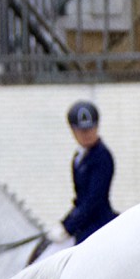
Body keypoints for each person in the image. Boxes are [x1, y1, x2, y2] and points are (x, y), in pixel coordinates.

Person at [47, 100, 117, 249]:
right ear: (73, 131)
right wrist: (64, 223)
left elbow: (93, 200)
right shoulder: (78, 157)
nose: (86, 135)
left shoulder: (102, 156)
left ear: (97, 127)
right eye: (81, 131)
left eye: (90, 129)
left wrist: (69, 227)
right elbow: (80, 200)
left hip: (98, 221)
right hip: (85, 222)